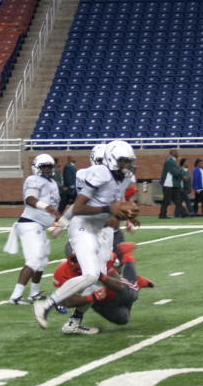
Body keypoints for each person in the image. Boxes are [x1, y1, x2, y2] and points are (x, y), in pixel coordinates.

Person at [33, 140, 139, 329]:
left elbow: (117, 206)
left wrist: (127, 216)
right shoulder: (99, 173)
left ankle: (74, 322)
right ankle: (46, 304)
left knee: (98, 282)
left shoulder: (124, 178)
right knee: (91, 275)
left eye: (128, 161)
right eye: (123, 161)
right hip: (83, 227)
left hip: (100, 230)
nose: (127, 165)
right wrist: (64, 223)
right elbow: (78, 207)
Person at [52, 241, 154, 335]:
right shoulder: (62, 272)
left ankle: (128, 256)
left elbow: (119, 286)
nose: (81, 262)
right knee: (123, 319)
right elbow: (66, 302)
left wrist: (101, 276)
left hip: (114, 290)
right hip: (98, 301)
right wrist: (92, 298)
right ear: (69, 259)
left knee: (131, 294)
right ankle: (73, 323)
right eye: (76, 259)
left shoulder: (100, 261)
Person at [5, 154, 61, 305]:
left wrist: (58, 219)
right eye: (44, 166)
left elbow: (54, 204)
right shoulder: (33, 179)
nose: (47, 169)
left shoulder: (52, 182)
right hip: (30, 223)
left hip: (40, 225)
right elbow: (30, 199)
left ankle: (34, 293)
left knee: (42, 261)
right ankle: (15, 296)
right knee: (34, 259)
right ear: (37, 167)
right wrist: (47, 207)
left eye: (49, 166)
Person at [159, 149, 185, 219]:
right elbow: (175, 172)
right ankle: (162, 215)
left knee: (177, 200)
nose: (177, 153)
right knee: (166, 200)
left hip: (172, 184)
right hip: (168, 184)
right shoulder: (170, 161)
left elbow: (176, 171)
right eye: (176, 152)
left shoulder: (173, 161)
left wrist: (179, 170)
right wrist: (181, 170)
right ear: (172, 153)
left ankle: (183, 213)